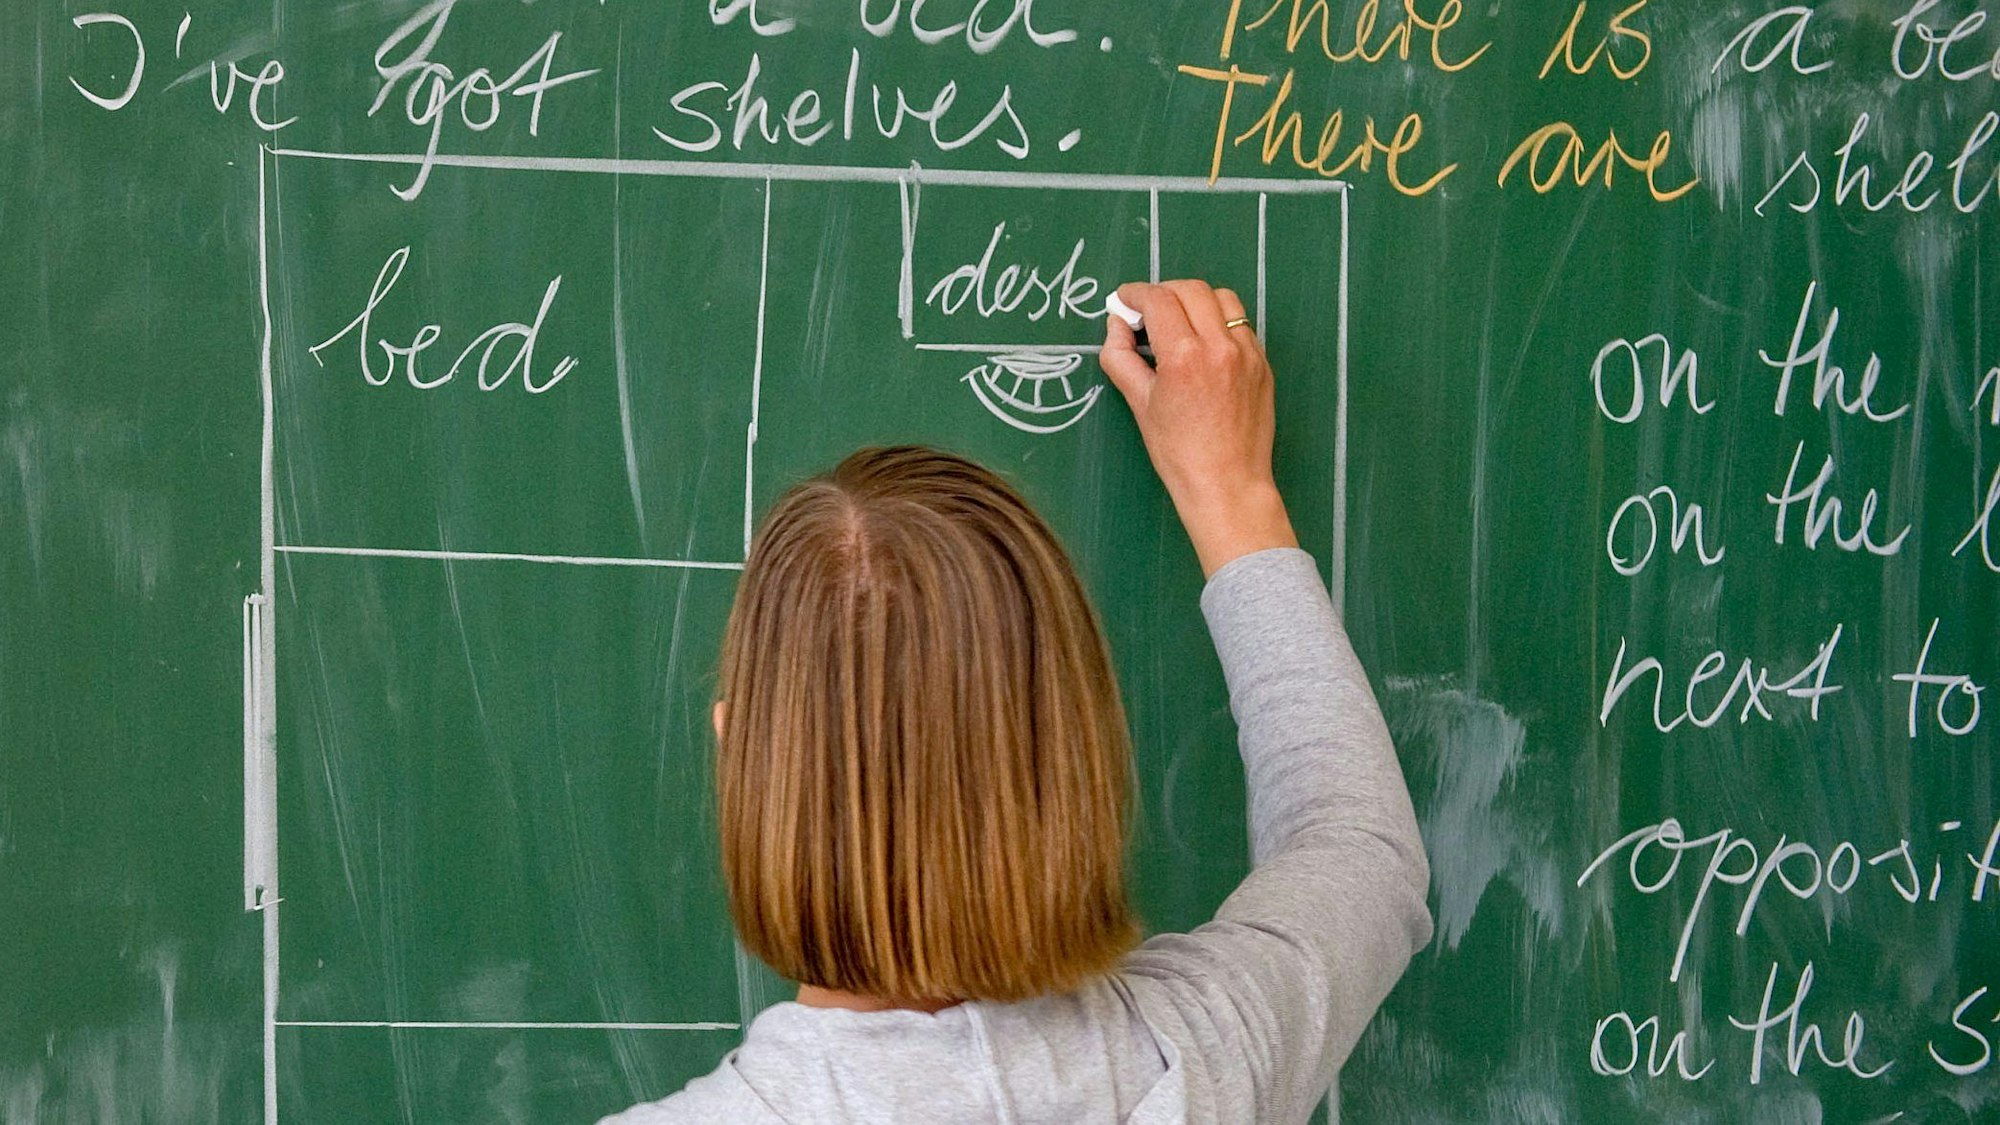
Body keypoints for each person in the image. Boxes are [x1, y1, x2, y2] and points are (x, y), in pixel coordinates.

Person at [600, 279, 1433, 1124]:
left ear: (737, 742)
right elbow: (1359, 849)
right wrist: (1230, 493)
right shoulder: (1198, 1055)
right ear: (1075, 747)